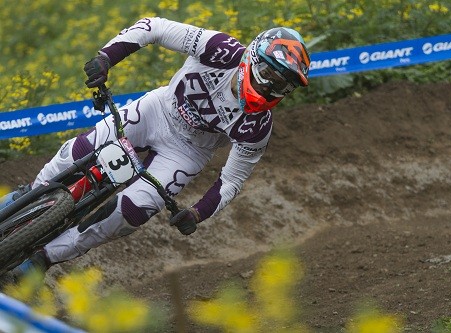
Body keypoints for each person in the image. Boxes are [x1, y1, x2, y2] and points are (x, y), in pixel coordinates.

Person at [0, 17, 310, 277]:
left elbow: (231, 181)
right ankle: (26, 196)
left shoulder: (257, 127)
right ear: (252, 58)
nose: (271, 87)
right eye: (269, 74)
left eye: (282, 85)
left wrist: (198, 213)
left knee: (131, 213)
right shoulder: (221, 50)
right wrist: (107, 57)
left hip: (187, 152)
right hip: (157, 112)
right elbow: (155, 28)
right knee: (77, 154)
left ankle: (41, 261)